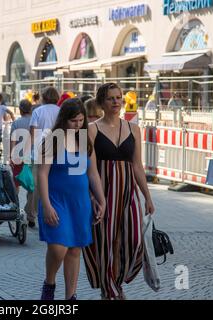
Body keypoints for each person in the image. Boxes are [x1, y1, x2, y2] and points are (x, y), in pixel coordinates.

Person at [83, 83, 155, 300]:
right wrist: (95, 196)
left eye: (118, 97)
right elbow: (91, 167)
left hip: (128, 191)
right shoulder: (92, 129)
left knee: (133, 240)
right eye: (110, 98)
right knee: (104, 242)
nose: (116, 102)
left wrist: (147, 197)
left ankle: (114, 282)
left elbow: (137, 166)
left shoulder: (134, 129)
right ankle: (111, 289)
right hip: (103, 191)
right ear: (101, 103)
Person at [38, 98, 106, 300]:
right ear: (63, 120)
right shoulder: (52, 140)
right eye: (72, 121)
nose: (77, 125)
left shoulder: (85, 142)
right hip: (55, 200)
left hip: (80, 203)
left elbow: (93, 174)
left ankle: (71, 297)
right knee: (58, 248)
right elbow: (42, 174)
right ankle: (49, 283)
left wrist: (101, 200)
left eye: (80, 121)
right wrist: (46, 205)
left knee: (75, 251)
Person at [29, 86, 61, 228]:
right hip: (57, 152)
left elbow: (33, 132)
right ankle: (53, 213)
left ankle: (32, 214)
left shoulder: (37, 111)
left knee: (36, 185)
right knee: (53, 183)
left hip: (39, 151)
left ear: (43, 97)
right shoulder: (61, 111)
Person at [10, 99, 34, 214]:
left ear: (20, 110)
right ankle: (29, 209)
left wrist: (11, 156)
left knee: (16, 182)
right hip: (33, 157)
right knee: (31, 184)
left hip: (18, 157)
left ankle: (15, 204)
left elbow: (13, 141)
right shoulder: (35, 122)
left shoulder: (16, 123)